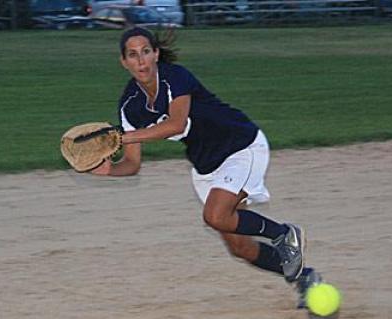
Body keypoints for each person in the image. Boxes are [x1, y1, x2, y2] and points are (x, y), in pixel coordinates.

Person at [91, 27, 321, 308]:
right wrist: (105, 170)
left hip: (240, 145)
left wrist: (123, 137)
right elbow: (131, 164)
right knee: (240, 247)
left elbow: (175, 124)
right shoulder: (130, 105)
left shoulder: (174, 77)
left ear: (156, 54)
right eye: (133, 55)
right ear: (123, 62)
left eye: (146, 52)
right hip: (206, 164)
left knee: (215, 215)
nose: (141, 61)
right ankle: (306, 280)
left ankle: (284, 234)